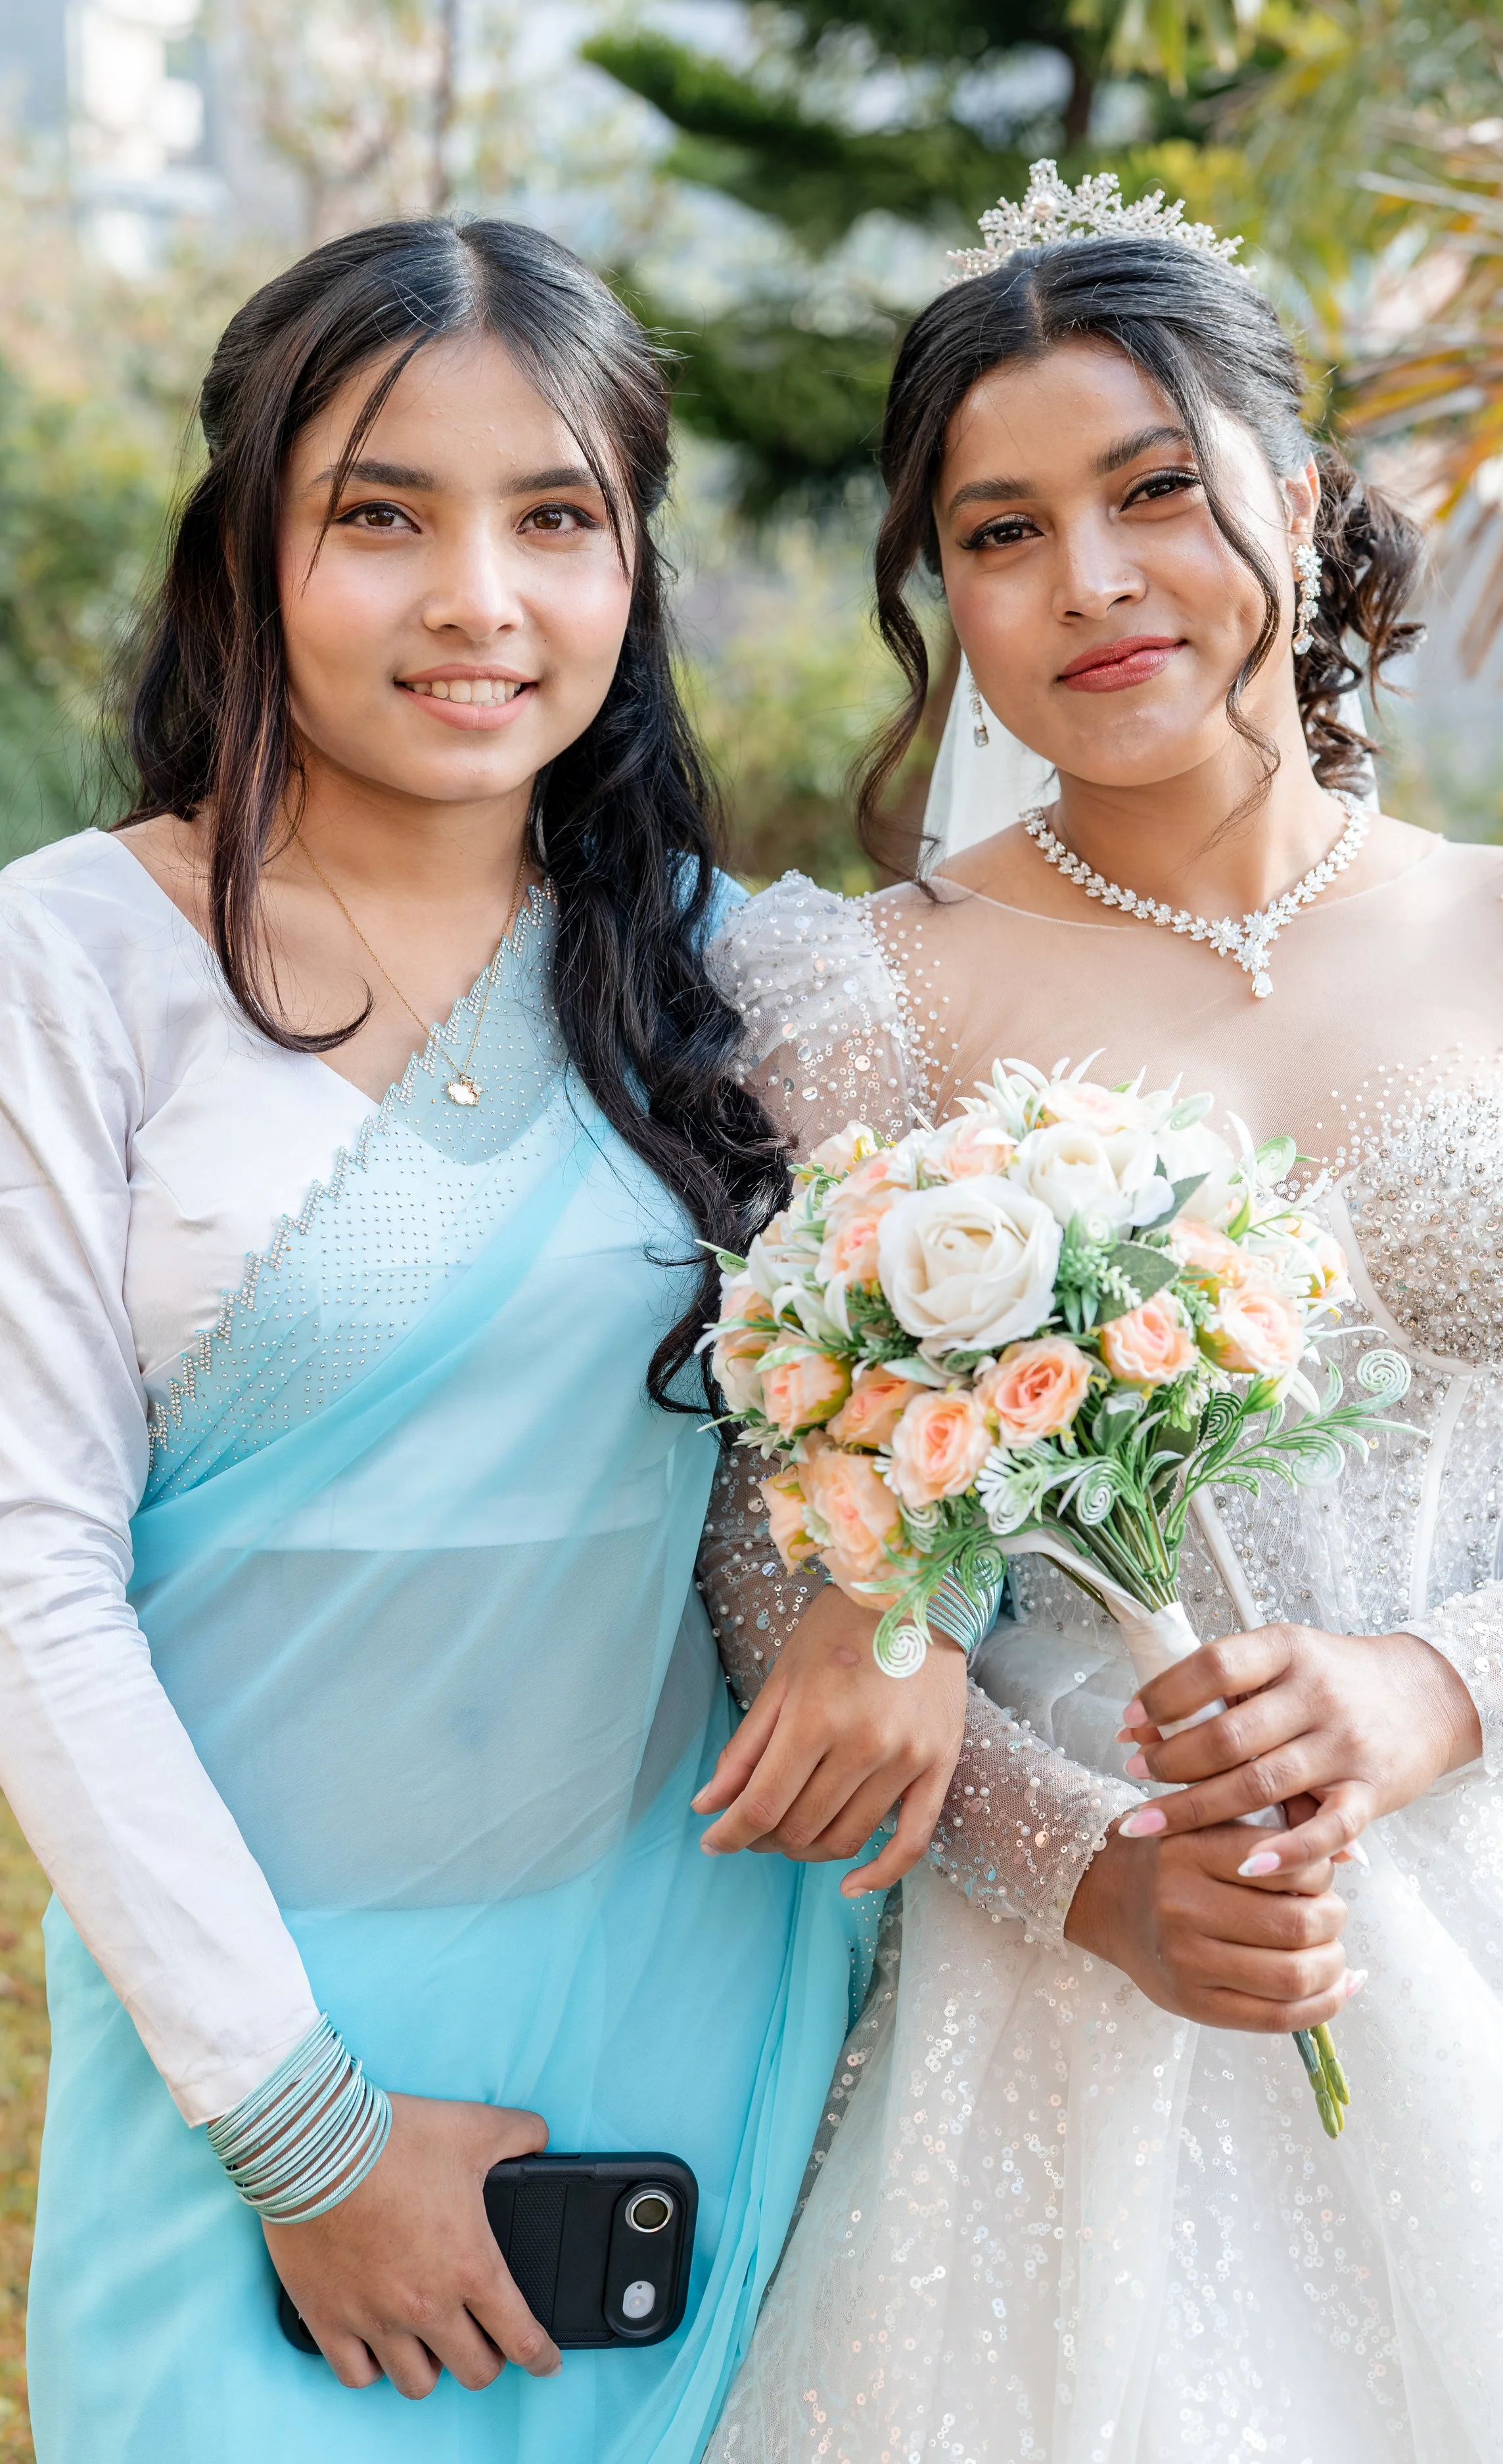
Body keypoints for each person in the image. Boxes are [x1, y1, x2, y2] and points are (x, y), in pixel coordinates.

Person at [0, 216, 965, 2462]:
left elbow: (932, 1401)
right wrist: (305, 2136)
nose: (479, 600)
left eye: (556, 518)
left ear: (632, 563)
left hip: (689, 1998)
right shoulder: (73, 964)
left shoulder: (747, 986)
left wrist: (898, 1593)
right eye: (380, 515)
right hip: (254, 2060)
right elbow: (28, 1583)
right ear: (250, 546)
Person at [698, 167, 1503, 2462]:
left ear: (1295, 503)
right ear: (944, 590)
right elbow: (780, 1575)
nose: (1088, 584)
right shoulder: (851, 994)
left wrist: (1433, 1687)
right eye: (998, 532)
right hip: (1088, 2011)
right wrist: (1093, 1874)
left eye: (1151, 492)